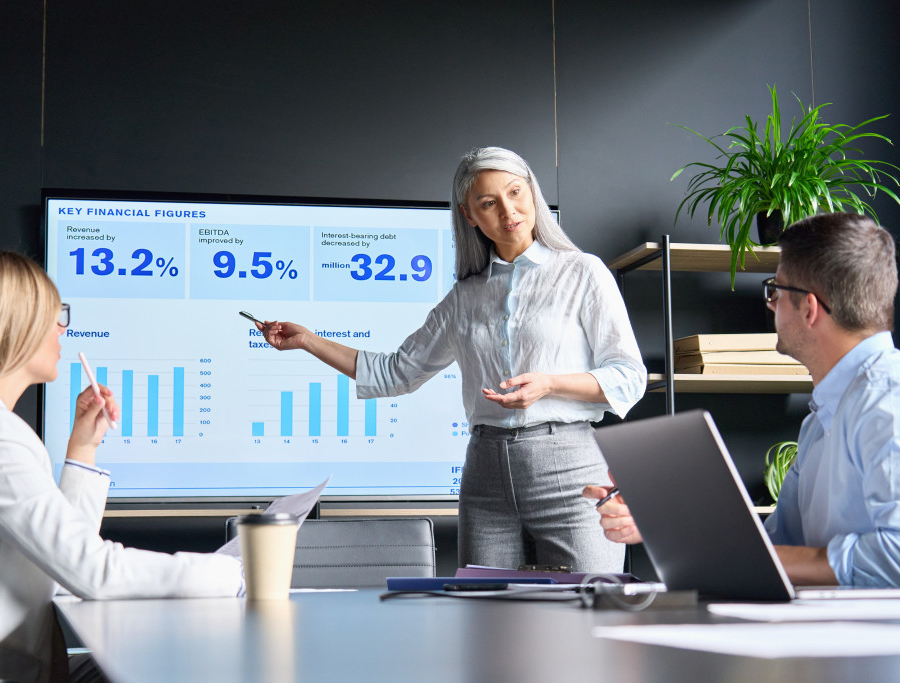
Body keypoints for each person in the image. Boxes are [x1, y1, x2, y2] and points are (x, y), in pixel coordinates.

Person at [257, 147, 647, 571]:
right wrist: (309, 341)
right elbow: (395, 373)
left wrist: (550, 384)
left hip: (570, 470)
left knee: (584, 617)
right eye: (488, 203)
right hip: (485, 477)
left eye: (516, 192)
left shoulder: (583, 273)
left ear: (532, 191)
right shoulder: (463, 298)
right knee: (486, 619)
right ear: (469, 215)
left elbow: (629, 377)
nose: (508, 211)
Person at [585, 212, 900, 588]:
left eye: (775, 290)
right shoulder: (824, 417)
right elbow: (779, 546)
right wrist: (662, 521)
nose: (770, 304)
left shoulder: (890, 404)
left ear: (810, 308)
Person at [0, 250, 244, 682]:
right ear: (11, 326)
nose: (63, 328)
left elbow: (59, 564)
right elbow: (92, 571)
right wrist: (231, 573)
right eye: (54, 315)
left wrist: (83, 446)